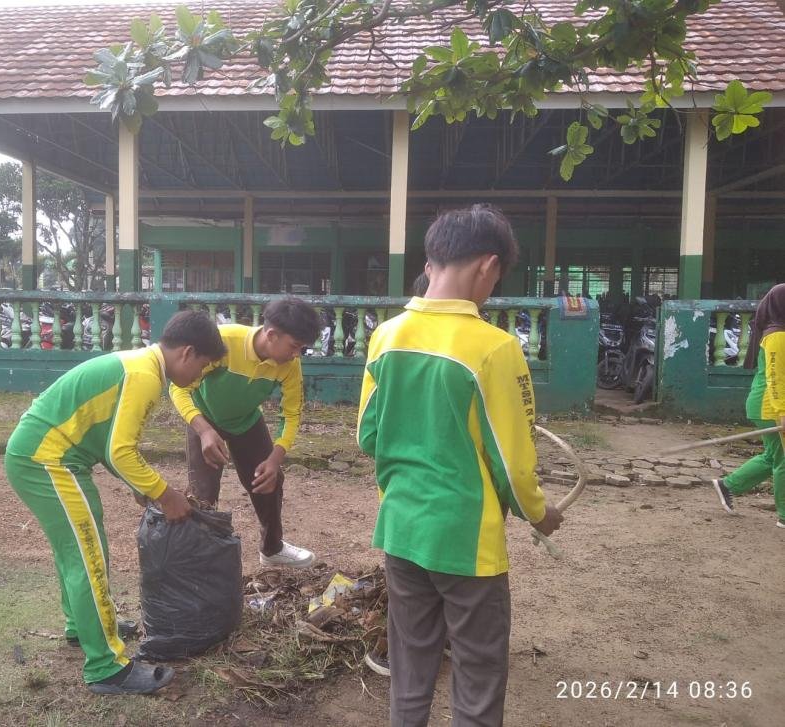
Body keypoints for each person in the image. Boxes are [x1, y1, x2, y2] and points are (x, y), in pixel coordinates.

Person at [357, 204, 564, 726]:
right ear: (489, 266)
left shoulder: (385, 337)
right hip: (465, 538)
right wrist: (540, 514)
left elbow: (368, 435)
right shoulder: (495, 348)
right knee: (477, 669)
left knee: (410, 661)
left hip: (401, 526)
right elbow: (514, 464)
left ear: (432, 262)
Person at [4, 311, 226, 695]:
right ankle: (107, 668)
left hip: (45, 457)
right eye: (203, 367)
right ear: (188, 353)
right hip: (48, 461)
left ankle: (83, 626)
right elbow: (121, 451)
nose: (200, 377)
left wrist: (141, 486)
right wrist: (164, 493)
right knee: (87, 556)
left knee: (80, 550)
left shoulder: (142, 366)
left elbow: (107, 439)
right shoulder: (143, 376)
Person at [170, 297, 322, 568]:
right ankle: (199, 560)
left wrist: (276, 458)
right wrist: (203, 430)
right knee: (202, 494)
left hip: (246, 422)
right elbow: (179, 387)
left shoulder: (288, 365)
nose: (297, 354)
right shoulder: (224, 343)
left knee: (269, 482)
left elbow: (291, 413)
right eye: (295, 346)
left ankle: (272, 549)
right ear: (272, 335)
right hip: (204, 420)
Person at [713, 283, 785, 528]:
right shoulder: (777, 335)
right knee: (783, 459)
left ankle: (729, 484)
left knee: (772, 456)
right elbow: (776, 378)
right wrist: (782, 413)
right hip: (771, 407)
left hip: (769, 405)